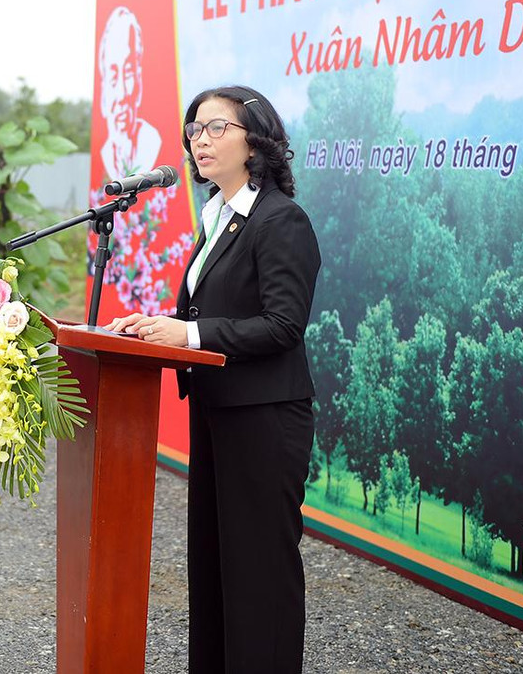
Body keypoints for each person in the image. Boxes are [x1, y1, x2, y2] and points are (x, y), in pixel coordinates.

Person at [107, 85, 320, 673]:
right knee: (215, 569)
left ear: (255, 141)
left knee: (259, 575)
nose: (201, 140)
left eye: (217, 127)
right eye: (195, 130)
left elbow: (283, 325)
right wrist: (156, 327)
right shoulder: (218, 218)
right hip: (217, 411)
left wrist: (189, 335)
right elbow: (215, 312)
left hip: (264, 418)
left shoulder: (280, 220)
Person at [97, 6, 163, 178]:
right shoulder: (104, 155)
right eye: (113, 76)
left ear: (139, 80)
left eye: (128, 73)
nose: (121, 94)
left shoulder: (153, 142)